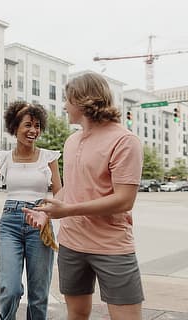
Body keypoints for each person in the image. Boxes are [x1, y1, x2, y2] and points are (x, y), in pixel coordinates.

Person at [24, 73, 144, 320]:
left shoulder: (125, 140)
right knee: (76, 314)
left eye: (67, 99)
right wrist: (47, 210)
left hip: (112, 246)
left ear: (82, 100)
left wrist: (66, 211)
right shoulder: (71, 140)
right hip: (71, 244)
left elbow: (124, 200)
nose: (64, 106)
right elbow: (73, 188)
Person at [0, 101, 62, 320]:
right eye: (27, 125)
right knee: (10, 288)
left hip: (40, 223)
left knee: (39, 293)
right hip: (10, 223)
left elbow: (60, 194)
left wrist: (46, 214)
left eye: (37, 125)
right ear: (14, 127)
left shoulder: (48, 158)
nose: (33, 130)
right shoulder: (3, 158)